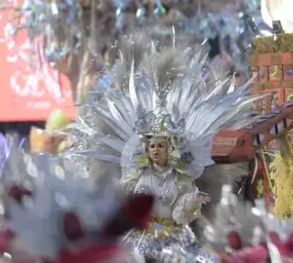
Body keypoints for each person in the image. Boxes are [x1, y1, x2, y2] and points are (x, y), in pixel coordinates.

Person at [67, 47, 255, 263]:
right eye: (152, 145)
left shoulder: (182, 179)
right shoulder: (134, 176)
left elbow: (182, 214)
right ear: (146, 149)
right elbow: (121, 204)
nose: (156, 149)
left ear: (170, 149)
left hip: (176, 241)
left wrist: (192, 203)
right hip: (140, 241)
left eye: (161, 145)